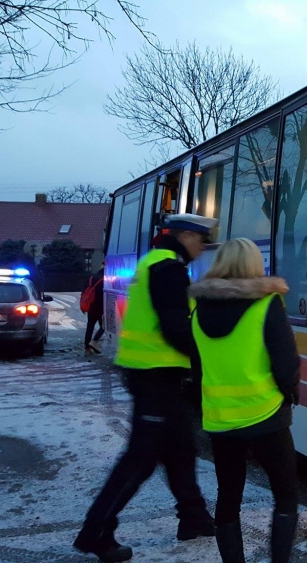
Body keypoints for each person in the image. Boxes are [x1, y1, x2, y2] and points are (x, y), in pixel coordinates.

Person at [74, 214, 218, 563]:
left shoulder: (153, 262)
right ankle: (96, 532)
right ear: (185, 236)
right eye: (200, 239)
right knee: (139, 460)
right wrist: (206, 360)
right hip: (154, 376)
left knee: (181, 448)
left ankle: (193, 518)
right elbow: (174, 327)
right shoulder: (168, 268)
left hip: (153, 374)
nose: (203, 246)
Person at [189, 238, 300, 563]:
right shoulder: (268, 304)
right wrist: (289, 394)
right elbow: (285, 361)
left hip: (221, 421)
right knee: (285, 495)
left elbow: (198, 371)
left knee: (228, 498)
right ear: (254, 265)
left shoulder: (197, 311)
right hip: (267, 416)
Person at [84, 261, 106, 354]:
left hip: (91, 305)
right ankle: (94, 341)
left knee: (90, 325)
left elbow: (85, 291)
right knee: (104, 326)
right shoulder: (107, 278)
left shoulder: (91, 278)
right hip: (101, 306)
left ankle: (86, 347)